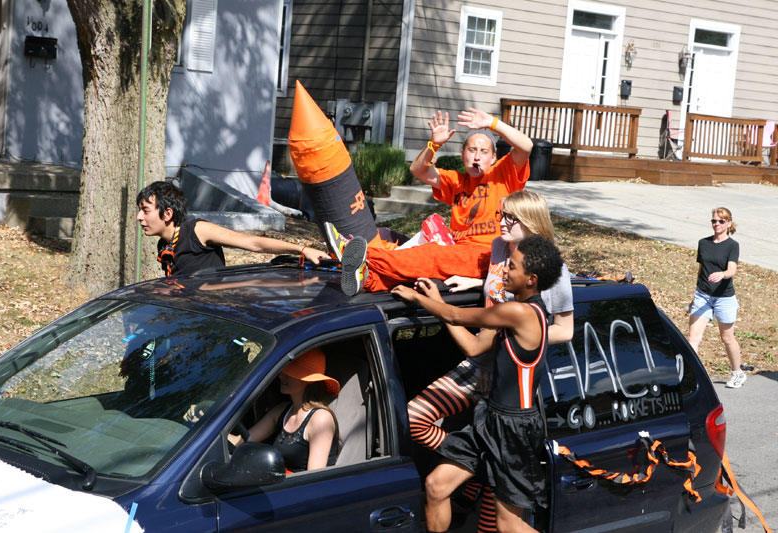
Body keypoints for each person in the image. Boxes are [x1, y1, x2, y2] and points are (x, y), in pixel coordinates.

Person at [407, 190, 574, 531]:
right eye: (502, 214)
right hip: (491, 414)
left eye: (511, 217)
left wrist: (418, 297)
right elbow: (475, 339)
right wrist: (475, 283)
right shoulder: (503, 261)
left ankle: (484, 475)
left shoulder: (526, 306)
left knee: (505, 526)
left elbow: (457, 315)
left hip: (514, 423)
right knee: (436, 485)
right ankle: (480, 473)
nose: (502, 223)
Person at [330, 108, 532, 295]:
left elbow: (526, 146)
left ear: (494, 157)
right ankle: (368, 279)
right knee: (416, 258)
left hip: (486, 254)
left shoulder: (503, 175)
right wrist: (434, 145)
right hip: (456, 249)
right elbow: (418, 170)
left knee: (431, 255)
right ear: (462, 155)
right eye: (472, 150)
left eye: (483, 151)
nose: (477, 157)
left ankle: (356, 255)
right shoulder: (456, 181)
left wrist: (492, 123)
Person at [136, 181, 328, 277]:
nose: (139, 217)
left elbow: (253, 243)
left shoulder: (198, 230)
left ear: (168, 213)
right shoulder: (164, 245)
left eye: (145, 211)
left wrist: (302, 249)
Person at [228, 348, 340, 472]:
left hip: (299, 484)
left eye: (291, 373)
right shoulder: (282, 410)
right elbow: (243, 440)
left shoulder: (321, 419)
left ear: (309, 380)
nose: (281, 375)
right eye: (283, 371)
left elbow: (314, 477)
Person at [686, 207, 746, 389]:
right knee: (693, 338)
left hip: (724, 298)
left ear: (729, 223)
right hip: (702, 296)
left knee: (727, 338)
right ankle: (692, 376)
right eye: (714, 220)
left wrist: (722, 274)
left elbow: (732, 269)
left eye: (721, 221)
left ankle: (738, 372)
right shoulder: (703, 243)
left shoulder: (732, 245)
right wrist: (694, 297)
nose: (716, 224)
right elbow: (701, 269)